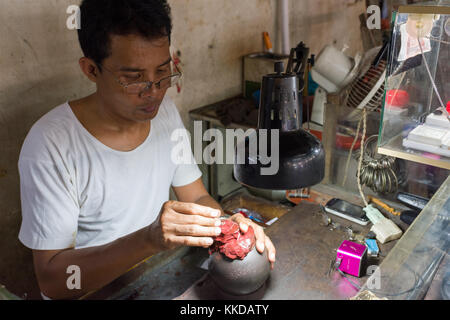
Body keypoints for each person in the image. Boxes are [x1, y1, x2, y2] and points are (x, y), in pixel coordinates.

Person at [18, 0, 276, 300]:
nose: (153, 91)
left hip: (155, 279)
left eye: (163, 72)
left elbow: (198, 197)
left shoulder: (163, 113)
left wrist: (229, 226)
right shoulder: (51, 144)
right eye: (133, 78)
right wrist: (149, 240)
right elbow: (53, 280)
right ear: (91, 69)